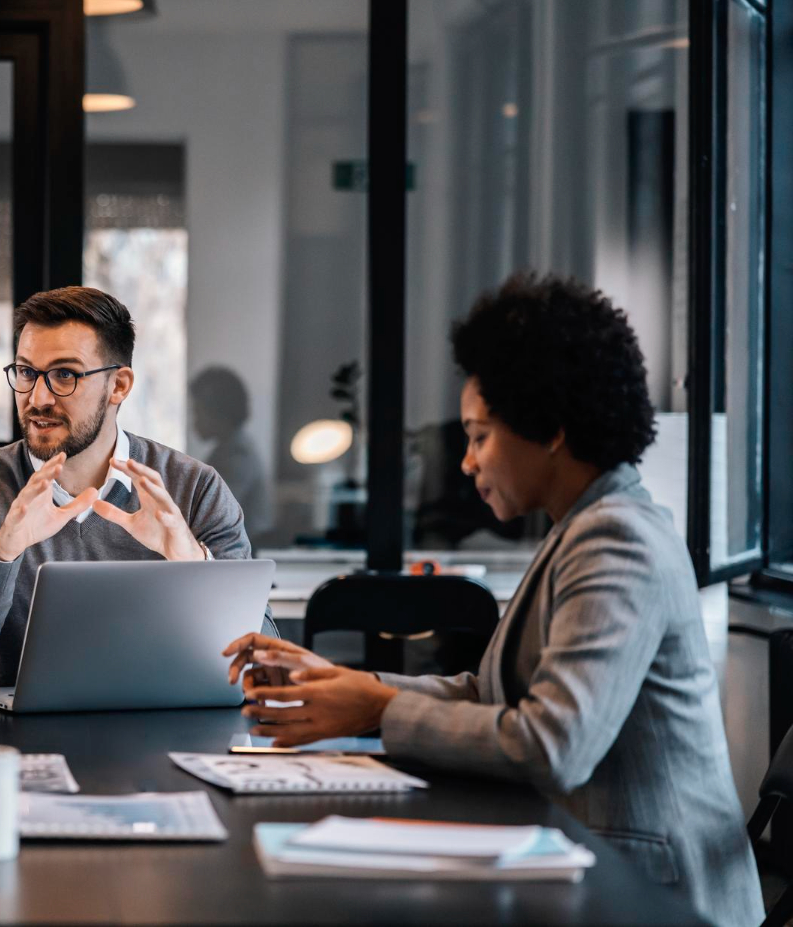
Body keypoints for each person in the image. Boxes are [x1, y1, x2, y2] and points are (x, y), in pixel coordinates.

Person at [222, 273, 761, 927]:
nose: (466, 464)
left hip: (656, 897)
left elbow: (552, 744)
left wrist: (379, 707)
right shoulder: (583, 525)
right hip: (596, 868)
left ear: (551, 428)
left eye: (480, 437)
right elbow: (493, 695)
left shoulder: (617, 539)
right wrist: (347, 684)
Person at [0, 286, 277, 686]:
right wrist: (3, 550)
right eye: (26, 372)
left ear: (119, 386)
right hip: (17, 739)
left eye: (64, 375)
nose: (37, 398)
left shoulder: (194, 488)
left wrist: (191, 560)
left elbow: (264, 667)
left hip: (166, 733)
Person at [189, 366, 273, 541]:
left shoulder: (238, 455)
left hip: (244, 553)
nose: (194, 420)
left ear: (218, 412)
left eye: (198, 411)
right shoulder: (227, 449)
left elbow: (212, 513)